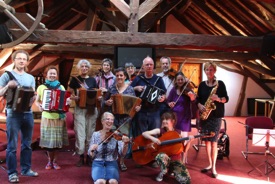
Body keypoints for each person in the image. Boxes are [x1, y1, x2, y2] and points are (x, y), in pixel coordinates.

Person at [0, 50, 38, 183]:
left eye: (24, 59)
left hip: (28, 114)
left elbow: (32, 96)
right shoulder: (7, 75)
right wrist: (7, 87)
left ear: (27, 62)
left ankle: (26, 169)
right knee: (12, 145)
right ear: (14, 60)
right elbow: (0, 92)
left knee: (27, 144)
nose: (22, 61)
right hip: (13, 114)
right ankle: (12, 173)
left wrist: (34, 98)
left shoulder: (30, 78)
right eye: (19, 58)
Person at [104, 67, 141, 171]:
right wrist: (107, 103)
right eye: (117, 75)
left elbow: (135, 104)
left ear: (125, 77)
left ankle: (122, 161)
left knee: (123, 141)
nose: (119, 77)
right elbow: (104, 101)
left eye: (121, 75)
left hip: (125, 120)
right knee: (112, 139)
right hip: (113, 118)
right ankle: (111, 160)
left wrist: (137, 108)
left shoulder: (130, 89)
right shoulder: (112, 88)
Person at [197, 61, 229, 178]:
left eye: (211, 70)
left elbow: (226, 98)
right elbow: (198, 99)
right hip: (205, 116)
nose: (209, 72)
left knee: (214, 141)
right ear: (204, 71)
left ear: (214, 71)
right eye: (207, 70)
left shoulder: (220, 84)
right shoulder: (201, 85)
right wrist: (199, 105)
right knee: (206, 142)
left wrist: (218, 99)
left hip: (216, 116)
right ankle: (209, 164)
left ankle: (214, 167)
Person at [35, 65, 70, 170]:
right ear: (46, 75)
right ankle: (49, 161)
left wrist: (68, 102)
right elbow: (37, 100)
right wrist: (39, 105)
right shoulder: (42, 87)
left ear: (57, 75)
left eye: (54, 73)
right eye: (50, 73)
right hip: (47, 117)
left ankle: (55, 161)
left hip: (59, 117)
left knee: (57, 142)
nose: (52, 75)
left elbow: (66, 101)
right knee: (50, 143)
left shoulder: (61, 87)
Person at [142, 112, 191, 183]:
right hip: (165, 158)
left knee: (186, 181)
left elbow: (185, 150)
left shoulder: (180, 133)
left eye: (167, 119)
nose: (164, 121)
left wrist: (190, 141)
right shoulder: (161, 130)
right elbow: (144, 133)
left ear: (173, 121)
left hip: (176, 160)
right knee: (160, 156)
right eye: (163, 119)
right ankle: (163, 171)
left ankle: (172, 170)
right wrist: (154, 139)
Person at [68, 59, 99, 167]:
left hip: (91, 109)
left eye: (86, 66)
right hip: (80, 109)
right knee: (80, 134)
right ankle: (81, 156)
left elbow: (96, 93)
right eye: (82, 66)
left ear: (88, 68)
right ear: (79, 68)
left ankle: (89, 156)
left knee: (90, 134)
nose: (84, 68)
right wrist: (74, 98)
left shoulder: (93, 80)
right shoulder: (74, 80)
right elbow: (70, 94)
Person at [88, 112, 130, 184]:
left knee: (113, 182)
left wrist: (125, 144)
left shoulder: (117, 135)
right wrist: (91, 150)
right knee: (100, 182)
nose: (110, 121)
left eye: (112, 120)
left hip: (111, 162)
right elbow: (91, 156)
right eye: (107, 119)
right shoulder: (95, 134)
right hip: (98, 162)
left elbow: (122, 154)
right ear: (102, 121)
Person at [130, 56, 166, 137]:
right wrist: (136, 88)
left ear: (153, 66)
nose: (149, 66)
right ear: (143, 66)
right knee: (141, 135)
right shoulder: (138, 78)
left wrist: (163, 97)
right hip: (141, 111)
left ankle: (153, 150)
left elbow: (164, 93)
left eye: (151, 64)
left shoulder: (158, 79)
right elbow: (129, 90)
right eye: (147, 65)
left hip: (155, 111)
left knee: (154, 135)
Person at [167, 72, 196, 164]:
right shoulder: (173, 90)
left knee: (184, 140)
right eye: (178, 79)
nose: (180, 81)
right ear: (175, 80)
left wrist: (192, 97)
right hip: (175, 118)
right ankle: (175, 159)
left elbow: (194, 101)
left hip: (184, 118)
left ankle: (183, 160)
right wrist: (169, 104)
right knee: (175, 140)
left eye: (182, 79)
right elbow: (168, 101)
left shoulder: (188, 90)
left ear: (184, 80)